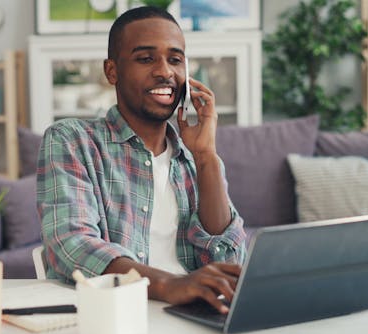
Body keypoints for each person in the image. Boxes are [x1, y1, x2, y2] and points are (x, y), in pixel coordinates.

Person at [37, 6, 246, 313]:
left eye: (175, 59)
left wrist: (205, 158)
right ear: (112, 71)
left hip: (193, 316)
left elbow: (228, 265)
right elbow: (72, 244)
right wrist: (170, 285)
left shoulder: (195, 159)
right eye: (146, 58)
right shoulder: (72, 141)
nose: (165, 71)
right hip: (112, 318)